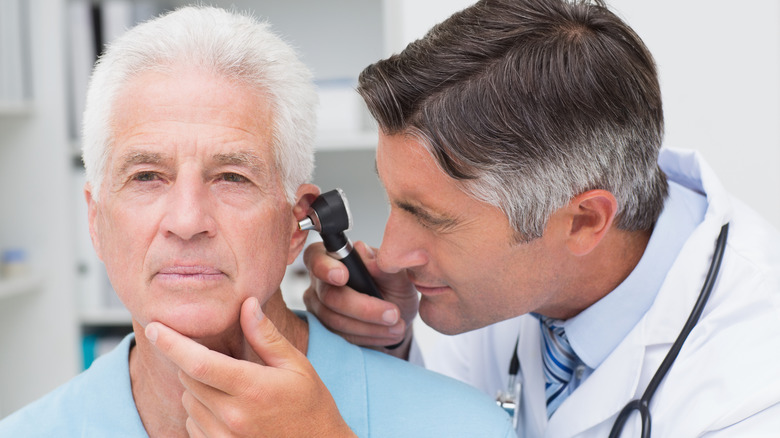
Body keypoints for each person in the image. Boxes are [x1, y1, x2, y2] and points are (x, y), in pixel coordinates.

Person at [0, 6, 515, 438]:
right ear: (95, 222)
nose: (186, 221)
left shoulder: (466, 426)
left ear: (297, 223)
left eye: (231, 177)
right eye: (146, 177)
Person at [301, 0, 780, 436]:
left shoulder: (755, 387)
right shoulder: (509, 279)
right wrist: (393, 349)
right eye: (396, 201)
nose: (391, 255)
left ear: (584, 222)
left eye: (433, 218)